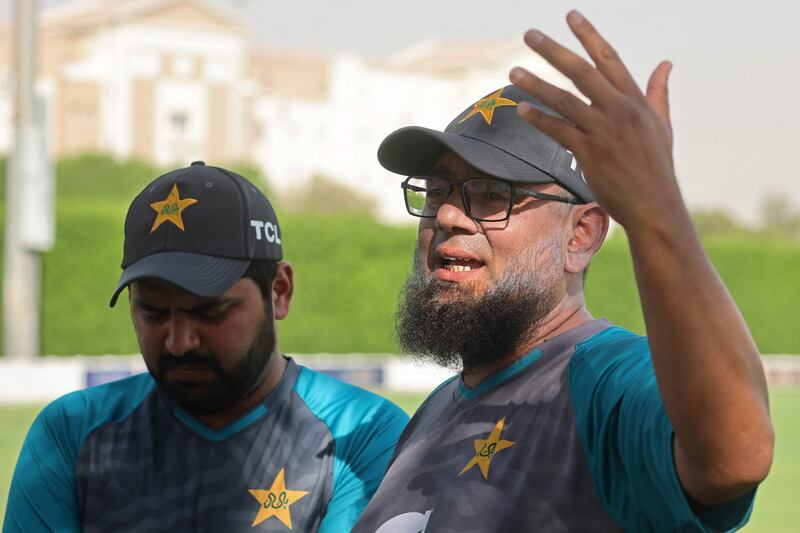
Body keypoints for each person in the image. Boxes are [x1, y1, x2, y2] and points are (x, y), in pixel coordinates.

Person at [353, 11, 773, 533]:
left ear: (582, 236)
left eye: (493, 195)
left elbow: (736, 456)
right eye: (437, 190)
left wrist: (655, 209)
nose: (447, 215)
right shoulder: (437, 409)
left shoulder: (606, 379)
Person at [4, 162, 409, 532]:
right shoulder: (70, 433)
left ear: (279, 292)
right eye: (152, 312)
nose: (180, 342)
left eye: (211, 311)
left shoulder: (365, 434)